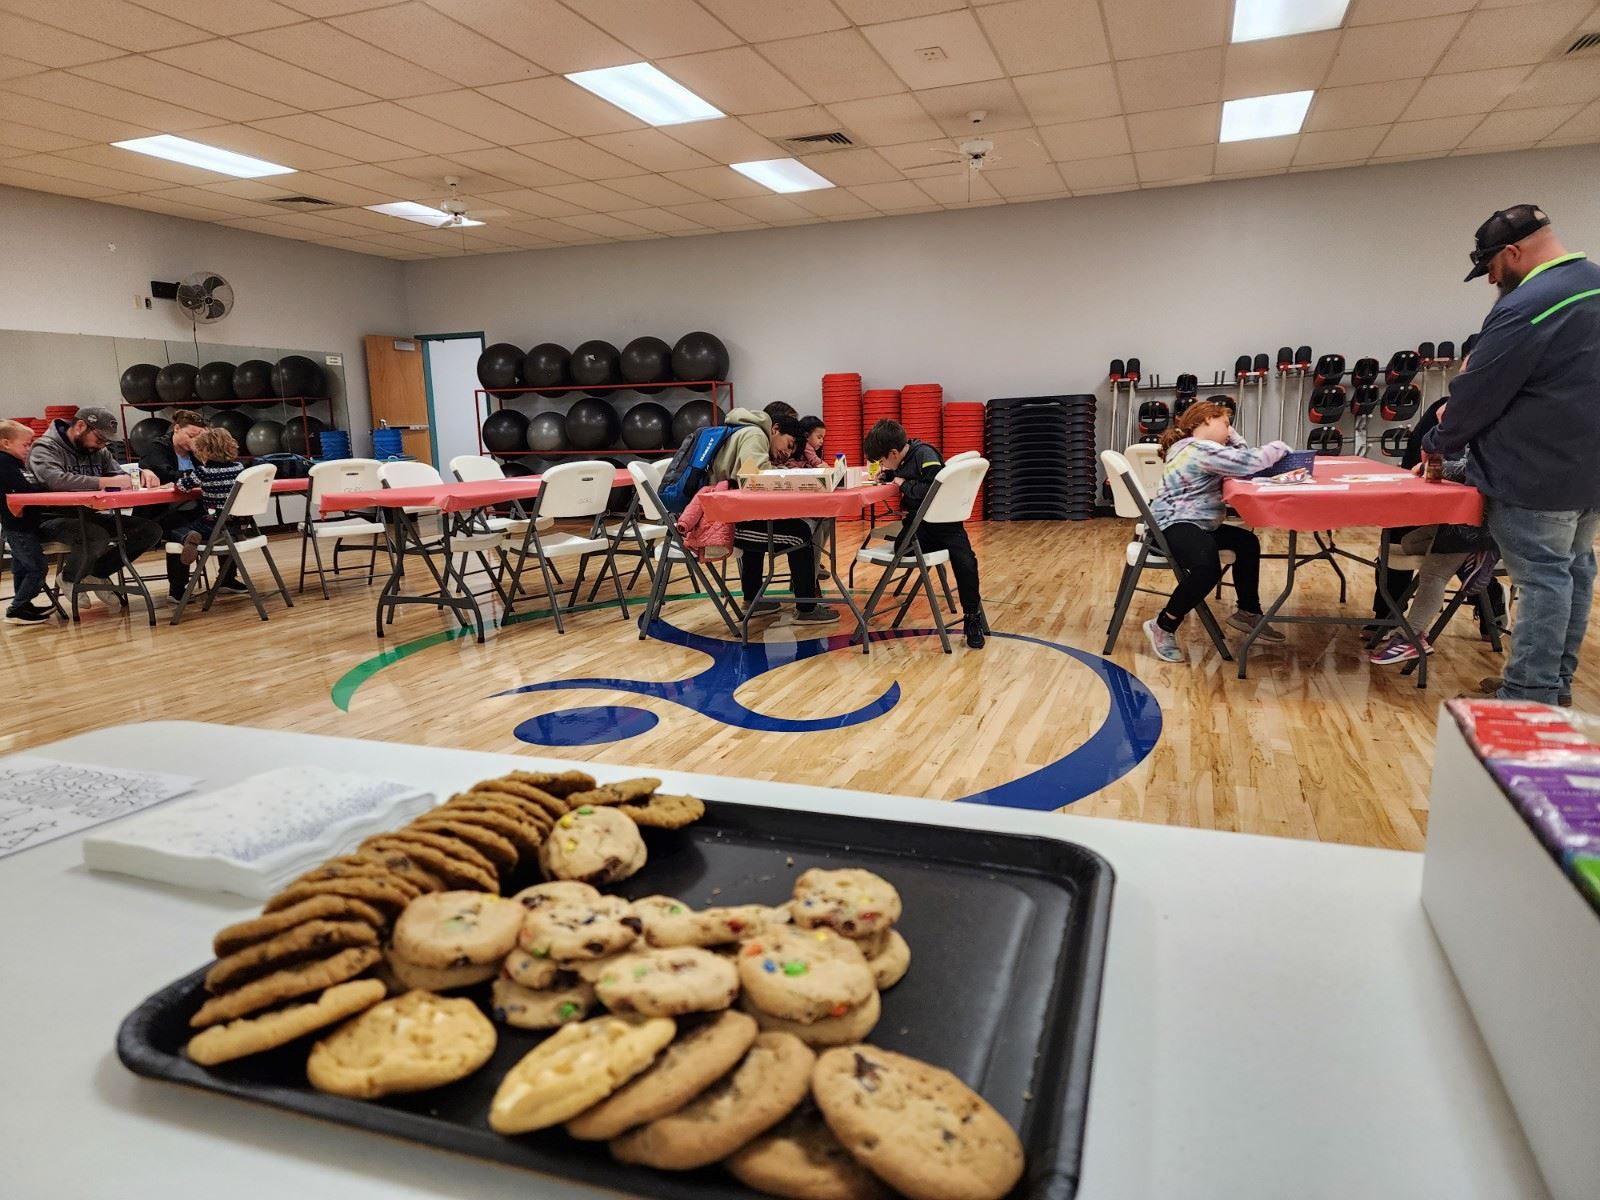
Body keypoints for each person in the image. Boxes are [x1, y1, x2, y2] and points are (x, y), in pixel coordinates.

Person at [1425, 204, 1600, 705]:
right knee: (1573, 571)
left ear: (1514, 251)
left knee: (1544, 580)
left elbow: (1477, 393)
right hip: (1587, 473)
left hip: (1534, 472)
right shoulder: (1593, 283)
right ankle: (1554, 684)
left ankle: (1529, 695)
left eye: (1491, 268)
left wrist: (1438, 445)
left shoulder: (1529, 304)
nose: (1490, 281)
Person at [1141, 401, 1292, 663]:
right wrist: (1281, 447)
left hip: (1195, 522)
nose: (1229, 430)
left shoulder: (1198, 448)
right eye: (1226, 423)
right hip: (1172, 525)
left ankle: (1247, 611)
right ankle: (1163, 624)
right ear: (1207, 420)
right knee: (1206, 567)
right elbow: (1249, 461)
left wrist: (1230, 435)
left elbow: (1238, 459)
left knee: (1246, 543)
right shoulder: (1198, 449)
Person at [1368, 430, 1498, 665]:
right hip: (1471, 517)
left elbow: (1474, 469)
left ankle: (1412, 637)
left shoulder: (1496, 431)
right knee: (1409, 543)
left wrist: (1433, 466)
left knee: (1433, 574)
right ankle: (1474, 556)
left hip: (1478, 522)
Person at [863, 419, 987, 649]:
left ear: (893, 452)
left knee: (966, 562)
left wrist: (901, 484)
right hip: (919, 524)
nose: (883, 465)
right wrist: (892, 477)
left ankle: (972, 616)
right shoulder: (901, 458)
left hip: (945, 523)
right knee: (903, 546)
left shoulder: (924, 453)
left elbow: (932, 488)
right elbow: (909, 477)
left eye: (882, 461)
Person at [709, 408, 837, 623]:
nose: (787, 453)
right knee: (800, 533)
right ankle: (807, 609)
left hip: (724, 515)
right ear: (775, 430)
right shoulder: (755, 435)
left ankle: (753, 599)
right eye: (788, 445)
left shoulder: (739, 430)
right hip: (723, 524)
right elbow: (758, 479)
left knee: (759, 520)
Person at [26, 406, 163, 603]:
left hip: (88, 514)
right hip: (49, 519)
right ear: (81, 426)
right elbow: (54, 480)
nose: (102, 445)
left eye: (106, 441)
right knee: (96, 536)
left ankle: (97, 573)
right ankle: (70, 577)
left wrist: (142, 473)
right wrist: (103, 482)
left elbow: (118, 476)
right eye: (99, 439)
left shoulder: (100, 451)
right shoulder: (44, 448)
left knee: (150, 530)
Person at [139, 409, 224, 600]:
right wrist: (196, 477)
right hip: (162, 511)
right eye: (192, 435)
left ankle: (227, 578)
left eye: (200, 437)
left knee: (222, 519)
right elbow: (165, 473)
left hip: (195, 505)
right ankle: (177, 589)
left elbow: (213, 469)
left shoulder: (198, 450)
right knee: (181, 528)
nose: (195, 441)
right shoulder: (157, 447)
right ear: (177, 429)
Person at [0, 420, 51, 626]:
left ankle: (23, 602)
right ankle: (17, 607)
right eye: (25, 444)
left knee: (21, 567)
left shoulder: (15, 463)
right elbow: (24, 488)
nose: (29, 448)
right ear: (6, 443)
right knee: (37, 568)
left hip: (25, 524)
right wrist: (46, 489)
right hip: (17, 525)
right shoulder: (4, 463)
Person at [173, 427, 246, 568]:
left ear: (202, 451)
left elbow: (181, 487)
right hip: (237, 521)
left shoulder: (204, 471)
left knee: (177, 530)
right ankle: (237, 534)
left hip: (213, 523)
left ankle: (190, 538)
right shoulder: (239, 468)